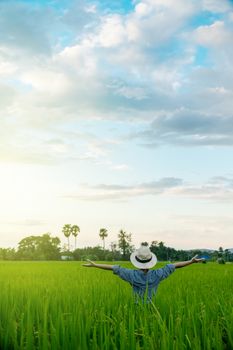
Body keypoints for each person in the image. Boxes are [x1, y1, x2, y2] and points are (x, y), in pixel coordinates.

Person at [83, 245, 204, 303]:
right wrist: (191, 261)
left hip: (136, 307)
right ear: (151, 261)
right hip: (153, 307)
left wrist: (95, 265)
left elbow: (113, 268)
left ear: (137, 261)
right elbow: (176, 265)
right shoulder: (158, 274)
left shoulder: (130, 274)